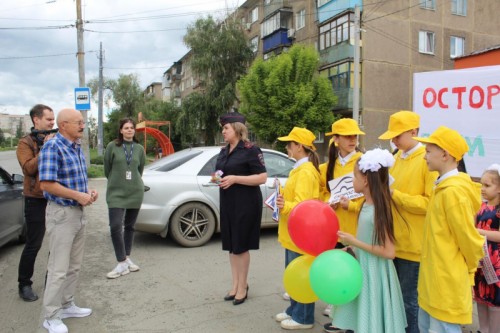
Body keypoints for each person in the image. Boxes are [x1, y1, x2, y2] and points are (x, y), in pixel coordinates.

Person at [413, 126, 485, 333]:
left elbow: (469, 241)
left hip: (446, 282)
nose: (424, 156)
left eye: (428, 151)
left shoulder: (453, 192)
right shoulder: (443, 187)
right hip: (434, 282)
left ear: (445, 154)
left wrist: (467, 272)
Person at [329, 148, 407, 333]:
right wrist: (350, 250)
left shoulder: (379, 209)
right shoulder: (365, 204)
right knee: (362, 317)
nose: (352, 180)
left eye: (354, 176)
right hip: (363, 266)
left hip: (374, 272)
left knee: (372, 319)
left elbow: (389, 252)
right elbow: (368, 238)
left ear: (365, 180)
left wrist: (354, 243)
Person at [377, 110, 438, 333]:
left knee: (409, 302)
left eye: (397, 135)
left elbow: (430, 204)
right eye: (392, 136)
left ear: (414, 131)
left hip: (413, 246)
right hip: (392, 241)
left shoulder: (426, 161)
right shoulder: (394, 158)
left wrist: (395, 195)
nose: (393, 140)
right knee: (394, 300)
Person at [39, 108, 98, 333]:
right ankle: (50, 316)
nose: (83, 126)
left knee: (73, 266)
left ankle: (66, 305)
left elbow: (75, 183)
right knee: (58, 268)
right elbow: (46, 183)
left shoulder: (76, 148)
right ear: (63, 125)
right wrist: (77, 195)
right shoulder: (52, 147)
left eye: (83, 122)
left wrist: (89, 192)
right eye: (78, 123)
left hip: (78, 213)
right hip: (61, 214)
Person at [215, 111, 267, 306]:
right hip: (228, 202)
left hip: (246, 203)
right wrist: (217, 177)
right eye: (223, 128)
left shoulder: (251, 149)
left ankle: (243, 286)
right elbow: (221, 171)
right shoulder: (223, 150)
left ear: (237, 129)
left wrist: (236, 178)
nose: (223, 131)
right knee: (231, 245)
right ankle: (235, 284)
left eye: (226, 128)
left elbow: (262, 177)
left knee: (241, 246)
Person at [274, 127, 320, 330]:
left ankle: (304, 317)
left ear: (299, 147)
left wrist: (286, 205)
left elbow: (304, 206)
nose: (287, 147)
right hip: (293, 233)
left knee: (301, 276)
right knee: (293, 274)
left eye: (290, 143)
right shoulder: (300, 169)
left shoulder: (306, 172)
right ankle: (295, 310)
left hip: (299, 235)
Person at [319, 118, 365, 324]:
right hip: (334, 229)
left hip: (357, 229)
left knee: (355, 273)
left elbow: (373, 197)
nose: (353, 139)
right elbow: (321, 192)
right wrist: (328, 201)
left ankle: (353, 318)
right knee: (338, 271)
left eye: (355, 135)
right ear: (336, 139)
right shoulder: (328, 166)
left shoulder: (364, 162)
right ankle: (339, 311)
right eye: (347, 136)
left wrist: (352, 205)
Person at [16, 104, 56, 302]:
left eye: (53, 119)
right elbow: (28, 169)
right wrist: (46, 148)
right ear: (36, 120)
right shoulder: (25, 143)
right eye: (49, 119)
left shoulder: (56, 138)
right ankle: (24, 284)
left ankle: (52, 281)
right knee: (34, 243)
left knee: (57, 243)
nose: (52, 122)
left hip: (56, 197)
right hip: (35, 199)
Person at [104, 118, 146, 279]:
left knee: (130, 226)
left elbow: (139, 170)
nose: (129, 130)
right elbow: (107, 169)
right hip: (116, 193)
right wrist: (117, 181)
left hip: (135, 191)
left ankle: (126, 258)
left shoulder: (139, 149)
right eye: (126, 128)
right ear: (120, 130)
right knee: (115, 226)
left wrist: (132, 182)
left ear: (134, 131)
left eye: (131, 128)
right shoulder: (112, 146)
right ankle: (121, 261)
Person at [473, 164, 500, 333]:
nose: (482, 189)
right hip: (481, 262)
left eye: (487, 185)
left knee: (495, 304)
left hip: (496, 265)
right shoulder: (481, 206)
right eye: (481, 184)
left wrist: (478, 231)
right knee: (481, 299)